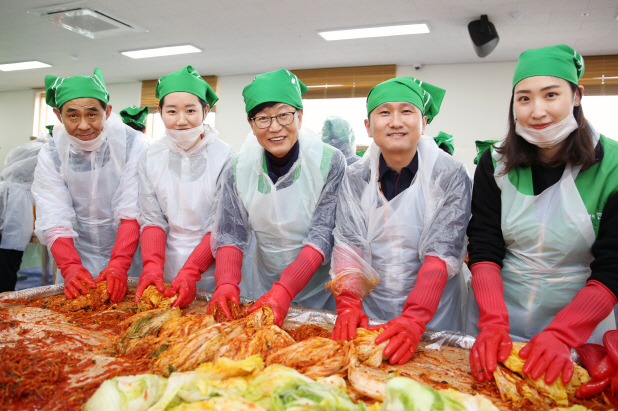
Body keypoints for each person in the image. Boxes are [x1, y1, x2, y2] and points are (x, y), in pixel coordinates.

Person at [467, 45, 618, 386]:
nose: (537, 111)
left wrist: (564, 335)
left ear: (577, 95)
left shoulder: (613, 167)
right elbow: (485, 245)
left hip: (582, 319)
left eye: (551, 94)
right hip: (502, 307)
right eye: (524, 98)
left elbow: (613, 265)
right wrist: (492, 321)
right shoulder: (495, 163)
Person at [328, 77, 471, 366]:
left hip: (434, 313)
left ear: (424, 122)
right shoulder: (356, 177)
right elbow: (349, 246)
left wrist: (416, 318)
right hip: (372, 310)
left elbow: (441, 252)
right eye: (384, 112)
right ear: (368, 127)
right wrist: (348, 305)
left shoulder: (449, 174)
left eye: (407, 111)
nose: (395, 122)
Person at [209, 69, 346, 325]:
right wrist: (226, 282)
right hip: (264, 280)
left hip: (318, 287)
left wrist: (285, 290)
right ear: (251, 124)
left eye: (284, 115)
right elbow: (231, 233)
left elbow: (323, 233)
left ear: (300, 116)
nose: (274, 127)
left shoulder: (328, 161)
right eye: (262, 118)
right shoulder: (238, 169)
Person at [32, 68, 147, 302]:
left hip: (129, 254)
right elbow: (53, 214)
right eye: (72, 116)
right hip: (76, 253)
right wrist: (70, 265)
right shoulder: (52, 153)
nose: (83, 125)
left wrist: (119, 263)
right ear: (58, 115)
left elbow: (132, 207)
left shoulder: (132, 144)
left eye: (92, 115)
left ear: (108, 111)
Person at [135, 65, 232, 308]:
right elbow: (152, 219)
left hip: (212, 268)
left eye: (190, 110)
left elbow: (220, 225)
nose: (181, 121)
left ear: (205, 110)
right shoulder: (151, 157)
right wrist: (152, 267)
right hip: (165, 267)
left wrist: (191, 271)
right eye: (171, 111)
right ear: (159, 111)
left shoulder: (225, 157)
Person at [0, 129, 50, 292]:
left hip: (10, 224)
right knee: (7, 266)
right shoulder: (20, 193)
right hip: (11, 232)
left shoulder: (8, 185)